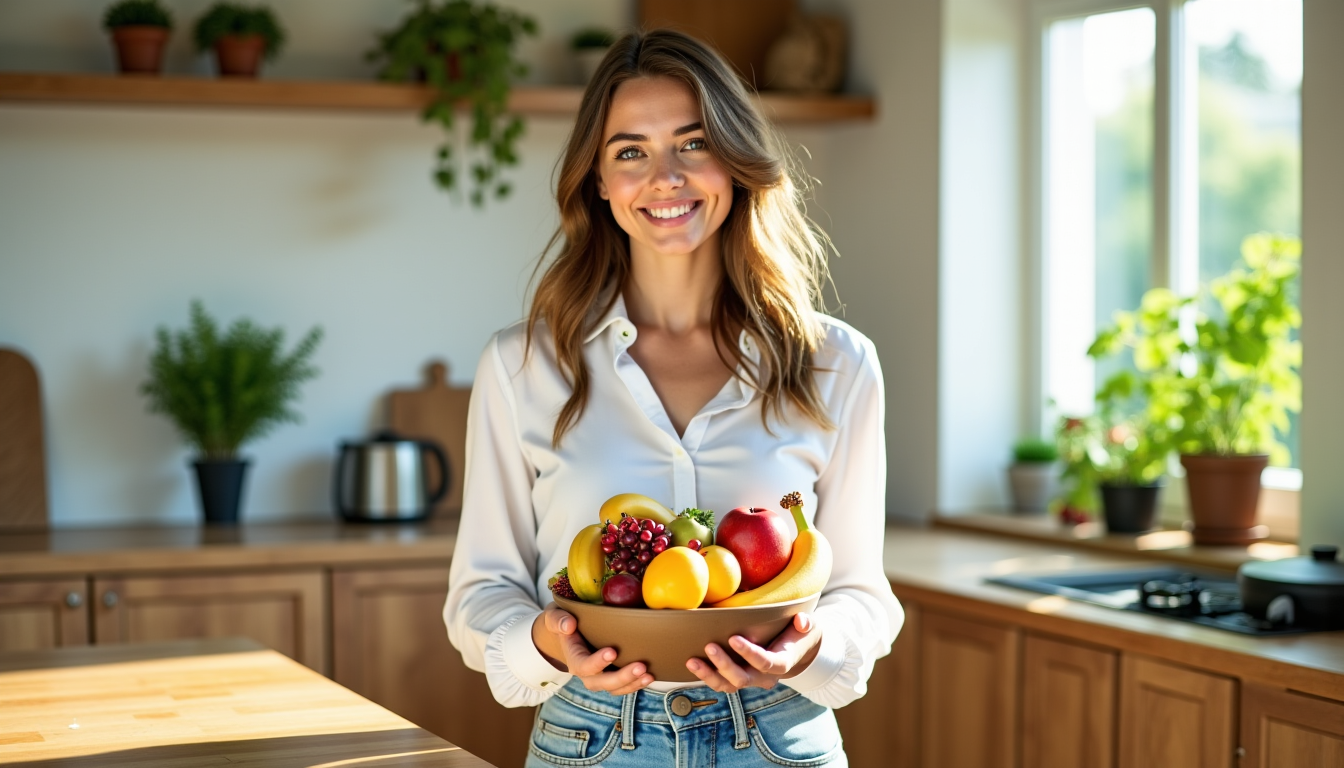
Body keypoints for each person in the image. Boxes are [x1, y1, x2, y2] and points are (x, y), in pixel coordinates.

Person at [444, 28, 903, 767]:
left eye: (693, 144)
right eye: (631, 151)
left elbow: (860, 592)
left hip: (779, 737)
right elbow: (482, 592)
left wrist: (813, 647)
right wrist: (546, 643)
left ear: (736, 160)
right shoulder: (522, 366)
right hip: (592, 735)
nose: (666, 177)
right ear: (597, 180)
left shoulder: (836, 364)